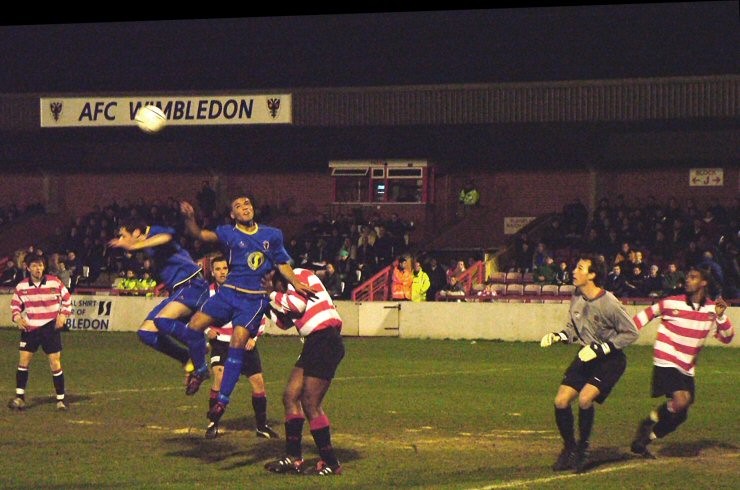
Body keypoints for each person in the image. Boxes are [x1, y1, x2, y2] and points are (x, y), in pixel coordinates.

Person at [175, 197, 314, 412]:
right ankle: (201, 369)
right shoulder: (228, 233)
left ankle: (222, 400)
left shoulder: (272, 235)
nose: (245, 208)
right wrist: (190, 219)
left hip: (253, 299)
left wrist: (296, 281)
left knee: (237, 343)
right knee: (193, 326)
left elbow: (282, 264)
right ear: (233, 215)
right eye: (238, 207)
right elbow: (199, 234)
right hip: (228, 293)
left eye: (247, 204)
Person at [539, 253, 638, 473]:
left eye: (580, 268)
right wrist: (558, 336)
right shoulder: (576, 296)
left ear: (592, 275)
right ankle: (569, 448)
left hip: (610, 360)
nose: (574, 271)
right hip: (586, 355)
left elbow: (631, 333)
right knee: (561, 401)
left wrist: (602, 348)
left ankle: (583, 450)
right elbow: (572, 330)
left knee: (585, 399)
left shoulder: (609, 302)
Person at [629, 267, 733, 457]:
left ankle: (646, 436)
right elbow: (645, 315)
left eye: (693, 277)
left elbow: (727, 337)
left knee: (681, 414)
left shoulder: (712, 309)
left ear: (704, 283)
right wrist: (624, 332)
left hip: (687, 367)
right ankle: (648, 425)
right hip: (666, 358)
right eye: (687, 277)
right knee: (681, 400)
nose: (687, 280)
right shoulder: (670, 303)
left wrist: (721, 316)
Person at [261, 267, 345, 476]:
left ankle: (331, 462)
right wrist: (263, 304)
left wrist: (270, 293)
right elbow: (283, 322)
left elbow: (297, 305)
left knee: (310, 402)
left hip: (325, 339)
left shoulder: (298, 274)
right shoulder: (287, 289)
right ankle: (293, 457)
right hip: (314, 342)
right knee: (291, 396)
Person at [107, 218, 210, 385]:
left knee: (163, 321)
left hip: (193, 285)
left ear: (136, 233)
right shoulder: (148, 244)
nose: (121, 240)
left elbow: (166, 237)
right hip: (178, 291)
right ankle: (186, 357)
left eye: (123, 236)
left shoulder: (154, 231)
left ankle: (200, 357)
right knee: (146, 333)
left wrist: (134, 246)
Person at [203, 256, 279, 440]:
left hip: (244, 343)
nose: (222, 272)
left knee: (258, 383)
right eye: (218, 269)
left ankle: (262, 426)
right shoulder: (207, 293)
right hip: (221, 343)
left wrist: (253, 337)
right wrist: (207, 330)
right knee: (219, 376)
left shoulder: (243, 290)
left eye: (224, 268)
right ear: (212, 272)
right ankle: (213, 423)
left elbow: (259, 313)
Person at [8, 254, 72, 411]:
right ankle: (20, 397)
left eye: (41, 265)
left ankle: (60, 400)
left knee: (55, 363)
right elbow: (15, 305)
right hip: (31, 328)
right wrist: (17, 317)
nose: (38, 268)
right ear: (28, 268)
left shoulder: (54, 282)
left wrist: (63, 315)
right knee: (23, 362)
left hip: (50, 327)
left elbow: (67, 299)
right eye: (35, 266)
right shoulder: (22, 287)